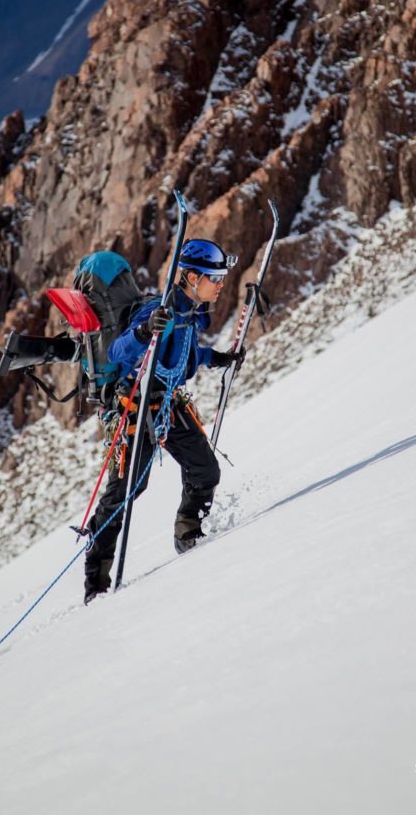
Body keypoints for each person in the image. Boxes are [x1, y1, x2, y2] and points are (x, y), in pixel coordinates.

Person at [83, 238, 245, 603]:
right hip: (136, 409)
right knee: (124, 494)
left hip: (168, 404)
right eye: (214, 278)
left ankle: (187, 531)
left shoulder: (190, 313)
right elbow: (118, 351)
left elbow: (185, 357)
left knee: (206, 471)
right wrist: (144, 331)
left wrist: (220, 359)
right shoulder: (160, 311)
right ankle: (96, 583)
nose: (220, 284)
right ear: (190, 277)